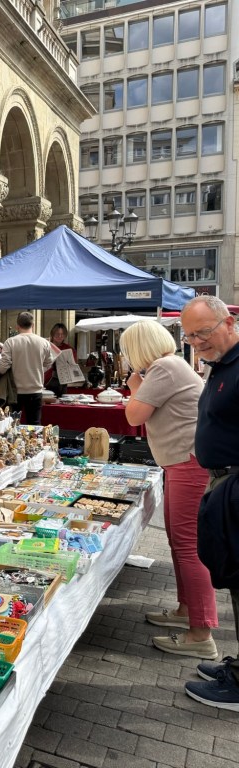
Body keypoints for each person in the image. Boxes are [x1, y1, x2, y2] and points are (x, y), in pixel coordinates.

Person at [119, 320, 216, 661]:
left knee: (188, 546)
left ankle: (201, 633)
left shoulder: (163, 367)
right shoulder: (169, 366)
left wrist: (133, 386)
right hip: (182, 461)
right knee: (180, 541)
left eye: (128, 350)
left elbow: (134, 415)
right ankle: (186, 611)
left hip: (187, 463)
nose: (127, 357)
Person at [179, 295, 239, 709]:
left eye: (203, 332)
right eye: (190, 336)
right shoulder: (224, 365)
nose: (196, 342)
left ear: (229, 322)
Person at [0, 311, 53, 425]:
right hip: (35, 389)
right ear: (33, 325)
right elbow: (49, 363)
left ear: (17, 326)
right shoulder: (44, 342)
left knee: (12, 424)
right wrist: (38, 369)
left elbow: (3, 367)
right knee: (34, 424)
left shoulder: (10, 342)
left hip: (15, 391)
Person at [44, 322, 76, 390]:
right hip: (46, 380)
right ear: (52, 334)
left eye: (62, 334)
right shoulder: (46, 346)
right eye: (57, 334)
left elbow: (73, 365)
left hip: (63, 381)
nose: (60, 336)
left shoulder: (68, 348)